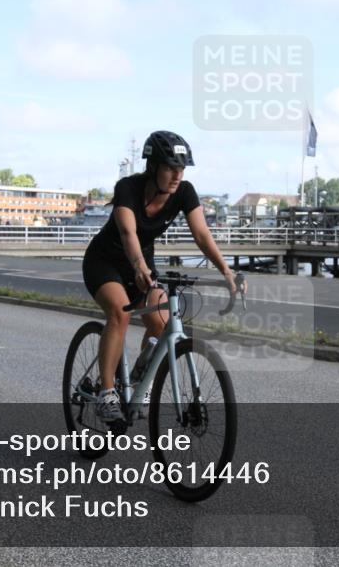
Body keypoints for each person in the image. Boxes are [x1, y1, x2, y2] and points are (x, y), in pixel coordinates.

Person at [82, 130, 239, 422]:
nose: (178, 175)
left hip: (142, 264)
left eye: (182, 168)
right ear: (153, 167)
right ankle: (106, 393)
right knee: (121, 313)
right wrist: (140, 267)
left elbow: (202, 235)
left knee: (162, 320)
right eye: (171, 168)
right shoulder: (128, 187)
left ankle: (139, 381)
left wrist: (227, 272)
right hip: (105, 262)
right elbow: (128, 232)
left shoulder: (184, 191)